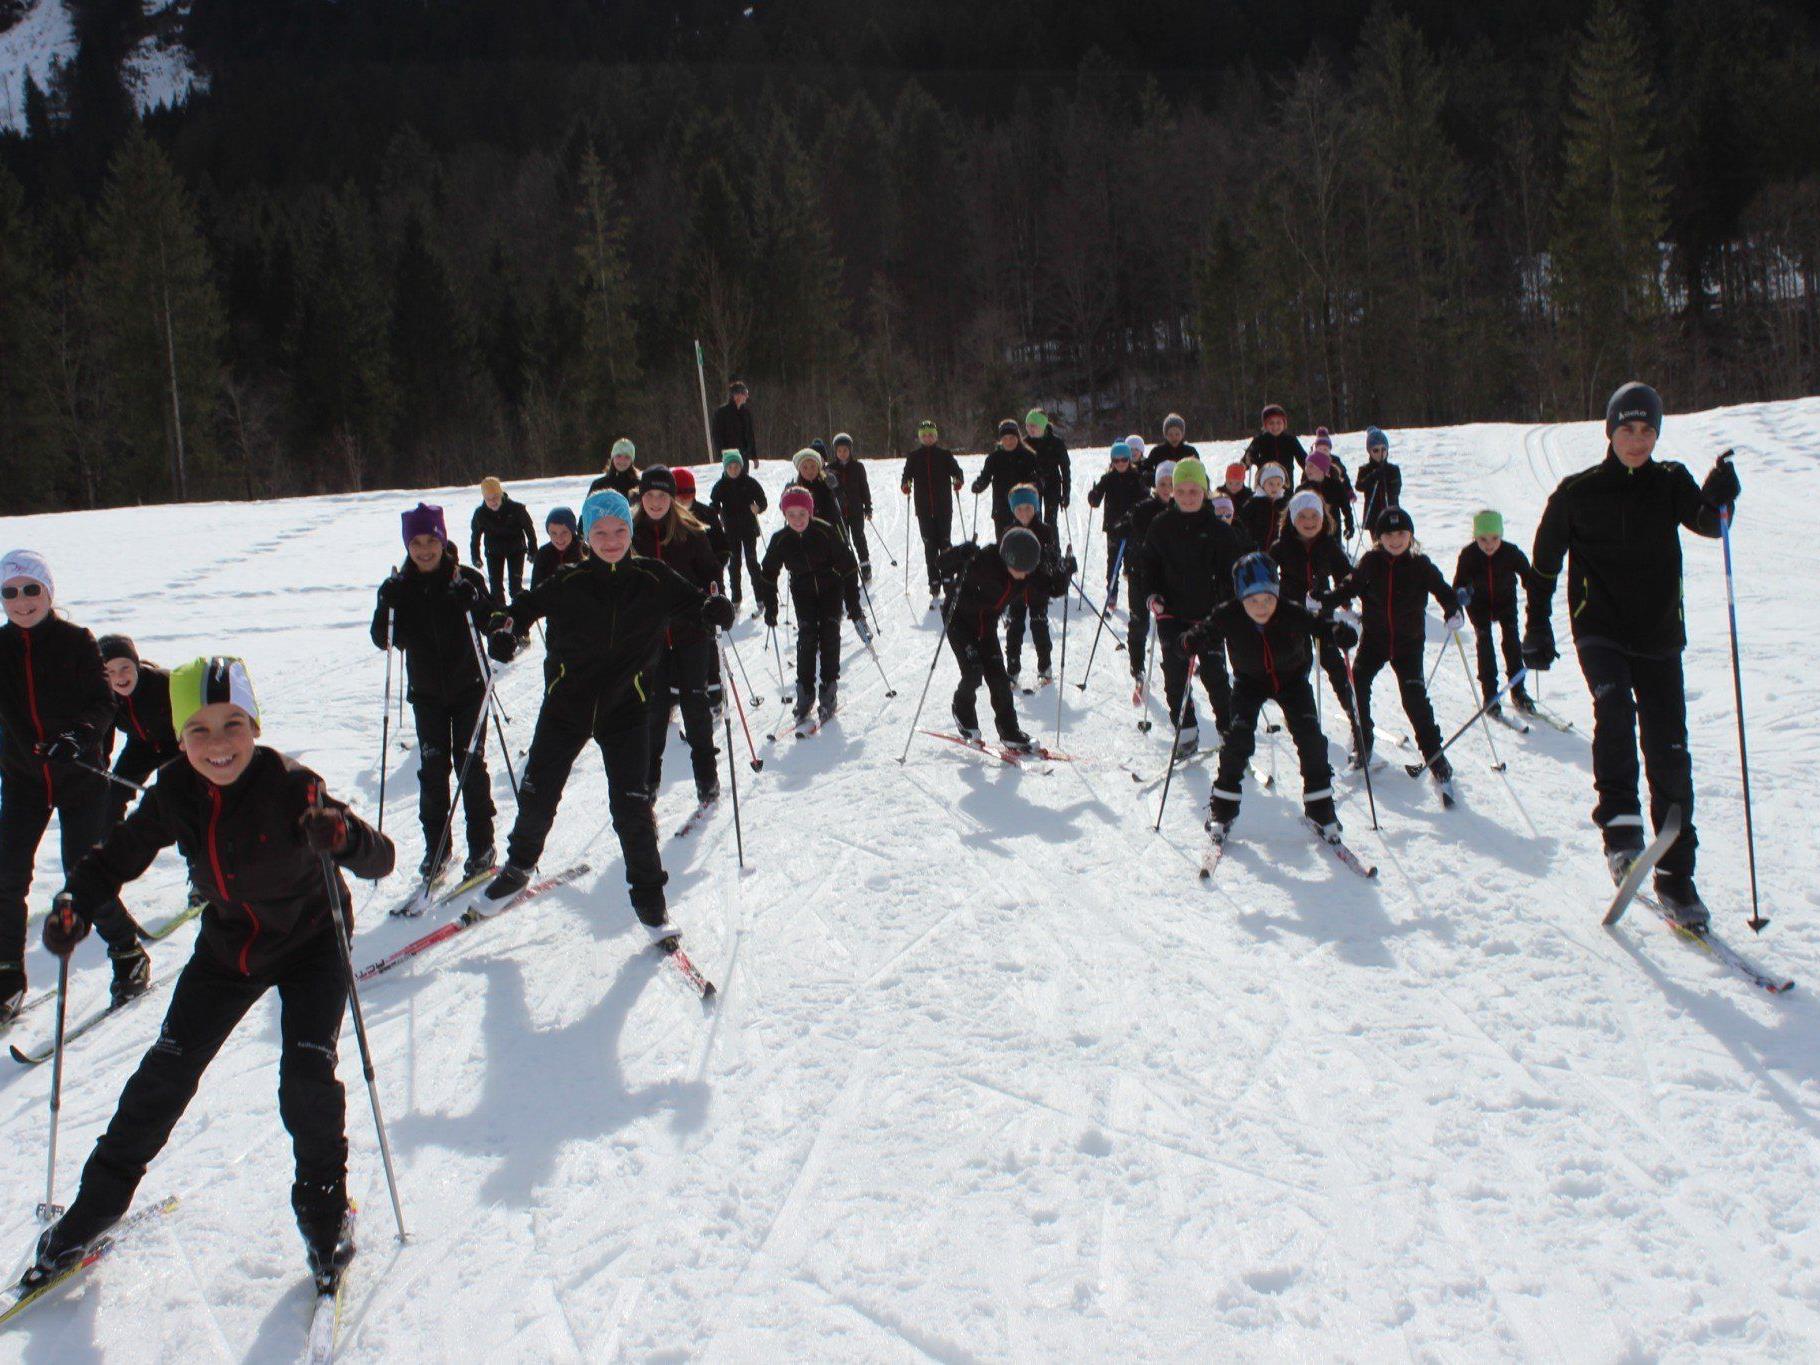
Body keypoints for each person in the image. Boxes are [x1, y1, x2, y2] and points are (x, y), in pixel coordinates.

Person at [22, 655, 394, 1291]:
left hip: (311, 943)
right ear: (179, 735)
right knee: (161, 1079)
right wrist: (73, 907)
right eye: (199, 729)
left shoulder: (291, 784)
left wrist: (342, 836)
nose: (218, 745)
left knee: (305, 1076)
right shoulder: (174, 790)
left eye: (232, 725)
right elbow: (116, 857)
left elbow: (379, 859)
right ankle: (95, 1210)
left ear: (254, 725)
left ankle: (325, 1213)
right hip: (230, 949)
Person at [1523, 380, 1738, 927]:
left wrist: (1721, 497)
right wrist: (1538, 630)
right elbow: (1544, 566)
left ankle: (1676, 876)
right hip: (1601, 629)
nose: (1637, 440)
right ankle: (1621, 835)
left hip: (1660, 634)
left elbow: (1710, 524)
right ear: (1610, 431)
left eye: (1647, 431)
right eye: (1628, 429)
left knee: (1670, 749)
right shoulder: (1578, 492)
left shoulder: (1671, 482)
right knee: (1615, 709)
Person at [480, 491, 735, 935]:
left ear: (630, 532)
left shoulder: (653, 578)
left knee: (633, 808)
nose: (611, 539)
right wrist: (503, 629)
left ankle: (651, 903)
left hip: (627, 709)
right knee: (539, 790)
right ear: (586, 535)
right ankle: (519, 867)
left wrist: (716, 608)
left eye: (619, 530)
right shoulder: (570, 581)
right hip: (566, 706)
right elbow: (519, 610)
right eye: (600, 531)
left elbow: (697, 602)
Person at [1, 549, 148, 1021]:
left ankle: (127, 952)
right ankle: (7, 976)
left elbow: (104, 703)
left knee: (80, 874)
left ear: (48, 592)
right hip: (24, 778)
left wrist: (78, 738)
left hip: (80, 776)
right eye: (10, 592)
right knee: (6, 877)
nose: (21, 601)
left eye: (30, 590)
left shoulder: (76, 640)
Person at [1182, 554, 1358, 842]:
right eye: (1252, 601)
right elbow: (1204, 631)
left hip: (1292, 680)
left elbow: (1320, 626)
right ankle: (1223, 808)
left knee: (1310, 737)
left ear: (1276, 593)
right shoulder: (1229, 613)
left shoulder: (1290, 610)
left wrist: (1339, 632)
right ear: (1241, 599)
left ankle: (1320, 807)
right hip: (1249, 682)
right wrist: (1189, 640)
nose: (1261, 607)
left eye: (1267, 599)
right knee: (1237, 738)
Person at [373, 502, 496, 881]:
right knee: (432, 770)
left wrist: (473, 604)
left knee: (470, 767)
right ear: (407, 545)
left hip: (469, 690)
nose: (424, 549)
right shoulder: (398, 586)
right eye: (416, 542)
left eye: (431, 540)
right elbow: (384, 640)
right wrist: (386, 604)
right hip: (426, 695)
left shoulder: (467, 580)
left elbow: (495, 625)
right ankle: (437, 849)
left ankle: (482, 846)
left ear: (442, 539)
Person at [1327, 507, 1462, 791]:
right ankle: (1363, 741)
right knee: (1357, 684)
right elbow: (1349, 587)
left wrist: (1452, 610)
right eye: (1388, 534)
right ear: (1378, 537)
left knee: (1414, 700)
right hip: (1375, 641)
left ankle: (1434, 755)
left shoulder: (1420, 564)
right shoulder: (1371, 562)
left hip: (1408, 644)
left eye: (1401, 533)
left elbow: (1443, 590)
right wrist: (1325, 600)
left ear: (1410, 535)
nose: (1395, 539)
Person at [631, 467, 723, 807]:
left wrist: (716, 600)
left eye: (662, 496)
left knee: (695, 706)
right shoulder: (630, 532)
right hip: (651, 639)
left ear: (672, 498)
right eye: (650, 496)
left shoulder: (689, 530)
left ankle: (706, 777)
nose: (656, 502)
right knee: (653, 712)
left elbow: (711, 572)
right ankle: (649, 781)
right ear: (642, 498)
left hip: (691, 632)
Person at [1142, 458, 1242, 758]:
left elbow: (1231, 573)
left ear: (1205, 491)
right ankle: (1186, 730)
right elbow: (1149, 566)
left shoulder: (1219, 531)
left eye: (1194, 491)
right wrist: (1152, 595)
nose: (1187, 497)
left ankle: (1228, 730)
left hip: (1209, 616)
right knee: (1175, 675)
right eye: (1181, 491)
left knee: (1215, 677)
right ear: (1172, 491)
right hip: (1172, 614)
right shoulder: (1161, 526)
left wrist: (1228, 607)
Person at [935, 529, 1057, 751]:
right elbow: (942, 563)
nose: (1023, 576)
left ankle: (1010, 732)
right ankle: (962, 710)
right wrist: (960, 552)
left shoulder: (1028, 569)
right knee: (973, 671)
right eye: (1019, 570)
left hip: (986, 624)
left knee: (999, 678)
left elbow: (1051, 587)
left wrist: (1062, 573)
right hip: (959, 620)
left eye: (1027, 571)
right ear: (1007, 559)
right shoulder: (984, 559)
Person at [757, 487, 867, 726]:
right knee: (807, 637)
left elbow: (848, 565)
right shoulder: (781, 539)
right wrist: (771, 605)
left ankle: (829, 688)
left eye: (802, 514)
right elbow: (767, 573)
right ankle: (805, 692)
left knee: (829, 634)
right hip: (802, 590)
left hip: (830, 587)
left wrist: (853, 601)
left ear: (810, 512)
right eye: (791, 514)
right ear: (785, 514)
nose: (797, 519)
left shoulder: (825, 531)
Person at [1271, 490, 1360, 751]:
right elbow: (1266, 573)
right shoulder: (1282, 546)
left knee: (1335, 666)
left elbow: (1347, 576)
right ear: (1292, 519)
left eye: (1314, 516)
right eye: (1303, 516)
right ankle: (1300, 718)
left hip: (1323, 616)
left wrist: (1334, 597)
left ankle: (1358, 721)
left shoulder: (1329, 545)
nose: (1309, 521)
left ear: (1323, 518)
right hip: (1293, 616)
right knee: (1298, 666)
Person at [1452, 509, 1535, 716]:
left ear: (1501, 535)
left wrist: (1534, 588)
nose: (1489, 544)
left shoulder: (1510, 552)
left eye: (1494, 538)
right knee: (1485, 643)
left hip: (1505, 602)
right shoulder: (1469, 555)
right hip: (1478, 605)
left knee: (1512, 642)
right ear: (1475, 537)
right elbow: (1458, 583)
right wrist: (1461, 593)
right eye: (1483, 539)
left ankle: (1518, 690)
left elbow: (1527, 573)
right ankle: (1490, 695)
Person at [96, 635, 180, 826]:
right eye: (110, 671)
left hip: (178, 745)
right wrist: (101, 763)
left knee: (175, 794)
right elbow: (104, 732)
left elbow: (192, 720)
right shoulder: (105, 695)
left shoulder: (165, 682)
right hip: (140, 746)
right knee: (112, 795)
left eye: (125, 667)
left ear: (136, 664)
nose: (119, 677)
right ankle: (111, 846)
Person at [1002, 485, 1072, 687]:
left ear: (1035, 508)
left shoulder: (1044, 530)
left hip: (1038, 589)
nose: (1024, 512)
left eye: (1028, 508)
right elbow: (1003, 560)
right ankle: (1012, 670)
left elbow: (1052, 558)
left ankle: (1045, 667)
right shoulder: (1009, 532)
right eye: (1019, 509)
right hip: (1015, 591)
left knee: (1039, 626)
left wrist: (1061, 569)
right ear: (1013, 510)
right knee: (1014, 630)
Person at [1112, 461, 1175, 689]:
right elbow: (1121, 524)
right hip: (1140, 572)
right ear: (1155, 486)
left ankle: (1174, 662)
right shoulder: (1144, 508)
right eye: (1162, 484)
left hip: (1171, 577)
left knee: (1171, 623)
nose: (1167, 488)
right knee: (1139, 621)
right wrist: (1124, 527)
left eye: (1171, 483)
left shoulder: (1183, 509)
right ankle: (1137, 664)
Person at [901, 419, 966, 606]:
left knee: (945, 543)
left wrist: (958, 480)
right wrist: (905, 484)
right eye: (924, 436)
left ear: (935, 437)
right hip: (923, 508)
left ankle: (947, 578)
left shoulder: (944, 455)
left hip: (943, 506)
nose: (928, 438)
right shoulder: (914, 456)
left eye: (931, 435)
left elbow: (957, 471)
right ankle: (934, 581)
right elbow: (906, 475)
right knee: (930, 545)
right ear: (920, 438)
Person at [710, 449, 767, 613]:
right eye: (730, 467)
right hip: (730, 531)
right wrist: (713, 514)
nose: (734, 470)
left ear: (741, 466)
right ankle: (736, 599)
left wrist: (759, 507)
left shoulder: (750, 482)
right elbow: (713, 504)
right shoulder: (720, 486)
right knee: (734, 565)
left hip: (749, 528)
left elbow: (762, 501)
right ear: (725, 468)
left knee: (752, 562)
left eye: (736, 466)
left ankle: (760, 597)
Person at [1086, 441, 1149, 588]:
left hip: (1132, 526)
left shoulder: (1136, 477)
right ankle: (1112, 591)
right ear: (1112, 461)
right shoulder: (1108, 478)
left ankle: (1134, 595)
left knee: (1132, 562)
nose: (1120, 463)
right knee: (1113, 561)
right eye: (1116, 460)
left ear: (1129, 460)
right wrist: (1093, 495)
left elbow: (1145, 498)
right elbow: (1096, 501)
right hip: (1113, 527)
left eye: (1124, 459)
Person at [469, 477, 538, 607]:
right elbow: (475, 536)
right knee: (495, 588)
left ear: (501, 494)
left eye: (495, 496)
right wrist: (475, 555)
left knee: (515, 587)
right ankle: (501, 615)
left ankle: (519, 614)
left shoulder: (516, 509)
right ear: (484, 498)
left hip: (516, 550)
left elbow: (529, 529)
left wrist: (533, 549)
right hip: (493, 552)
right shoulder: (480, 514)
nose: (493, 501)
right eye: (488, 498)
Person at [973, 419, 1041, 538]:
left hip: (1024, 509)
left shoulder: (1029, 456)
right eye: (1005, 438)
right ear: (1001, 440)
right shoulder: (994, 458)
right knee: (1003, 544)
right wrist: (979, 484)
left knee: (1026, 543)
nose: (1008, 442)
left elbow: (1038, 479)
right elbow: (986, 476)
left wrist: (1035, 486)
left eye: (1012, 438)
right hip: (1002, 508)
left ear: (1018, 437)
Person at [828, 433, 875, 581]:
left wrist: (868, 507)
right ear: (835, 451)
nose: (842, 453)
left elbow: (864, 488)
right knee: (842, 542)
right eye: (839, 450)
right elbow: (828, 492)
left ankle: (865, 566)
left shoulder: (857, 467)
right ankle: (845, 569)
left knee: (859, 539)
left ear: (850, 450)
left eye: (845, 450)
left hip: (855, 511)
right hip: (839, 513)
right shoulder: (830, 469)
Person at [673, 468, 728, 573]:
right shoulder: (664, 517)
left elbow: (722, 546)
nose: (683, 499)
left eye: (689, 492)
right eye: (678, 493)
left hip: (707, 579)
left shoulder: (707, 514)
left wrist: (715, 568)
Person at [1024, 409, 1071, 529]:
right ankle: (1036, 547)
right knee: (1034, 520)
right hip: (1032, 486)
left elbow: (1065, 469)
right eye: (1027, 426)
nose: (1030, 429)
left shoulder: (1056, 443)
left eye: (1033, 426)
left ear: (1042, 425)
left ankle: (1053, 547)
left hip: (1052, 484)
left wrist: (1066, 493)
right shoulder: (1024, 443)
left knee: (1050, 521)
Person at [1301, 443, 1356, 540]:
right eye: (1306, 466)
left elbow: (1346, 508)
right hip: (1311, 533)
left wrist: (1349, 526)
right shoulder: (1303, 489)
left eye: (1311, 466)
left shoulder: (1335, 485)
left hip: (1333, 532)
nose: (1307, 469)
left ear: (1322, 468)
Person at [1243, 404, 1307, 482]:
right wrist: (1247, 460)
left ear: (1284, 424)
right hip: (1264, 485)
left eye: (1278, 423)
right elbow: (1246, 460)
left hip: (1285, 485)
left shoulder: (1290, 440)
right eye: (1271, 423)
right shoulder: (1260, 440)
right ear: (1265, 425)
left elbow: (1304, 459)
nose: (1275, 426)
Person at [1355, 427, 1400, 535]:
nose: (1381, 453)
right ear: (1369, 451)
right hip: (1373, 514)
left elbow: (1396, 489)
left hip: (1391, 512)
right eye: (1376, 450)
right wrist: (1373, 476)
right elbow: (1359, 486)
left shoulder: (1393, 469)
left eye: (1384, 449)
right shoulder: (1365, 469)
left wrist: (1387, 478)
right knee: (1377, 543)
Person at [788, 446, 843, 529]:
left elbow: (838, 499)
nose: (809, 471)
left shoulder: (825, 483)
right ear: (799, 469)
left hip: (827, 527)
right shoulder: (796, 487)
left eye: (813, 466)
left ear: (818, 467)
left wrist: (834, 486)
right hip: (802, 528)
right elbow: (785, 507)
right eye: (805, 467)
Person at [1240, 463, 1292, 551]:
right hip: (1256, 548)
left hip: (1277, 550)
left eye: (1278, 484)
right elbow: (1243, 524)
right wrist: (1249, 543)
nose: (1275, 487)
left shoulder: (1285, 503)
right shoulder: (1254, 502)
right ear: (1263, 483)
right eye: (1271, 484)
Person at [532, 506, 585, 590]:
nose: (559, 538)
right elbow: (535, 588)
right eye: (554, 533)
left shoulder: (585, 551)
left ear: (572, 531)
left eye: (564, 532)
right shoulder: (543, 553)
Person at [711, 379, 757, 468]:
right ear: (736, 395)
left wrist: (754, 455)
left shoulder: (746, 413)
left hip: (744, 456)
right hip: (729, 457)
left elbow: (750, 435)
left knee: (744, 480)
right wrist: (722, 453)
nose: (747, 396)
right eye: (745, 393)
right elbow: (717, 435)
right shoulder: (722, 413)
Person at [1140, 413, 1198, 477]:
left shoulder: (1190, 451)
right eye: (1170, 434)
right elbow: (1146, 470)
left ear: (1182, 434)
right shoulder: (1157, 451)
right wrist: (1156, 478)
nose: (1174, 437)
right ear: (1165, 435)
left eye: (1177, 434)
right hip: (1163, 485)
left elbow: (1199, 471)